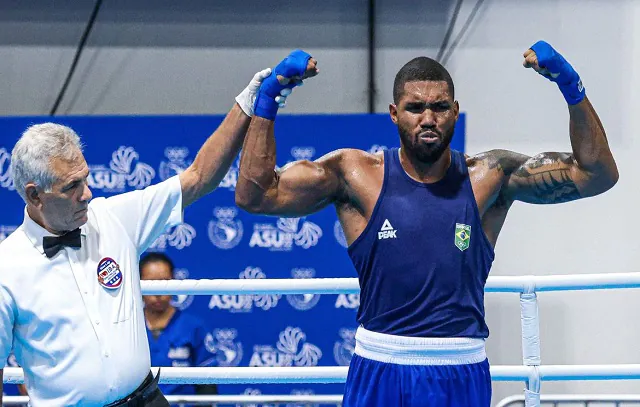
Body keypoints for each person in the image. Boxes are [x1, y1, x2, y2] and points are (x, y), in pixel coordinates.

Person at [235, 42, 618, 406]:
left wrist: (571, 85)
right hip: (379, 365)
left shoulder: (489, 176)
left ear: (454, 110)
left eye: (438, 107)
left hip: (459, 367)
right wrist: (268, 98)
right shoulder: (354, 174)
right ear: (394, 113)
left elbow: (597, 175)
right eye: (415, 107)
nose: (428, 118)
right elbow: (255, 195)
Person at [0, 53, 293, 406]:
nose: (87, 194)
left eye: (86, 179)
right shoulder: (6, 269)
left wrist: (245, 105)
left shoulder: (113, 218)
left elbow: (198, 178)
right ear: (34, 194)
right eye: (71, 186)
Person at [140, 252, 218, 405]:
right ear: (138, 283)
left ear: (174, 282)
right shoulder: (129, 327)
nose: (158, 293)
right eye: (151, 283)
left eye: (164, 282)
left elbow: (207, 384)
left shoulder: (193, 327)